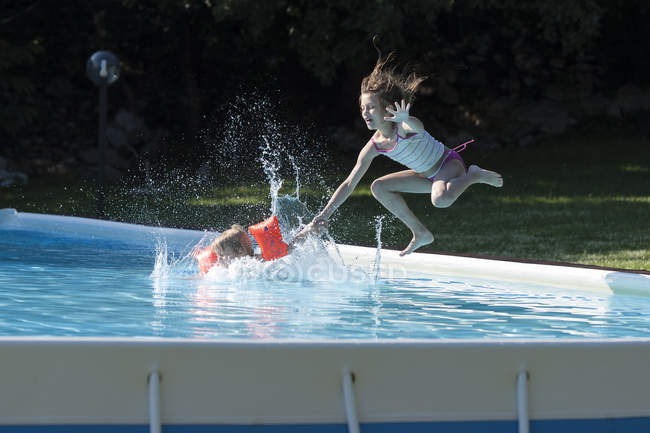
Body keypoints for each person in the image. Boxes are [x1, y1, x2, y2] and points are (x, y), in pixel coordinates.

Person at [304, 39, 503, 256]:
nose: (365, 113)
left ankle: (473, 175)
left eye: (371, 107)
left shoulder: (403, 126)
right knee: (378, 187)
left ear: (386, 109)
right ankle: (420, 233)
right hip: (425, 176)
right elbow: (350, 183)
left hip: (448, 164)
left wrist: (406, 118)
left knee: (440, 200)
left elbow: (418, 126)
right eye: (362, 108)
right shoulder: (374, 146)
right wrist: (324, 214)